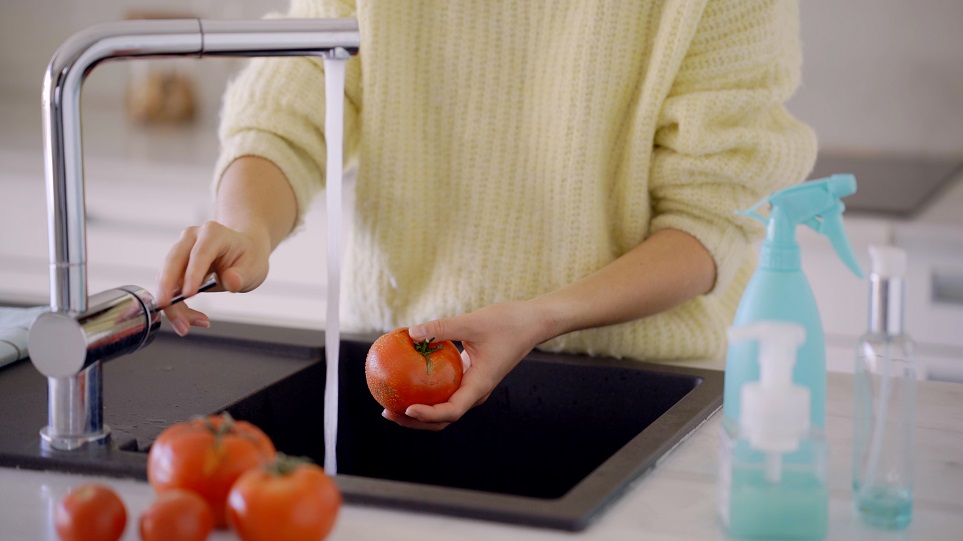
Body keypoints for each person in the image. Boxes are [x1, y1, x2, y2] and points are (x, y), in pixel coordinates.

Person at [155, 0, 817, 431]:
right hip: (404, 374)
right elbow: (297, 93)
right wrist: (247, 224)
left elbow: (710, 218)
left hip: (641, 395)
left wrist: (542, 316)